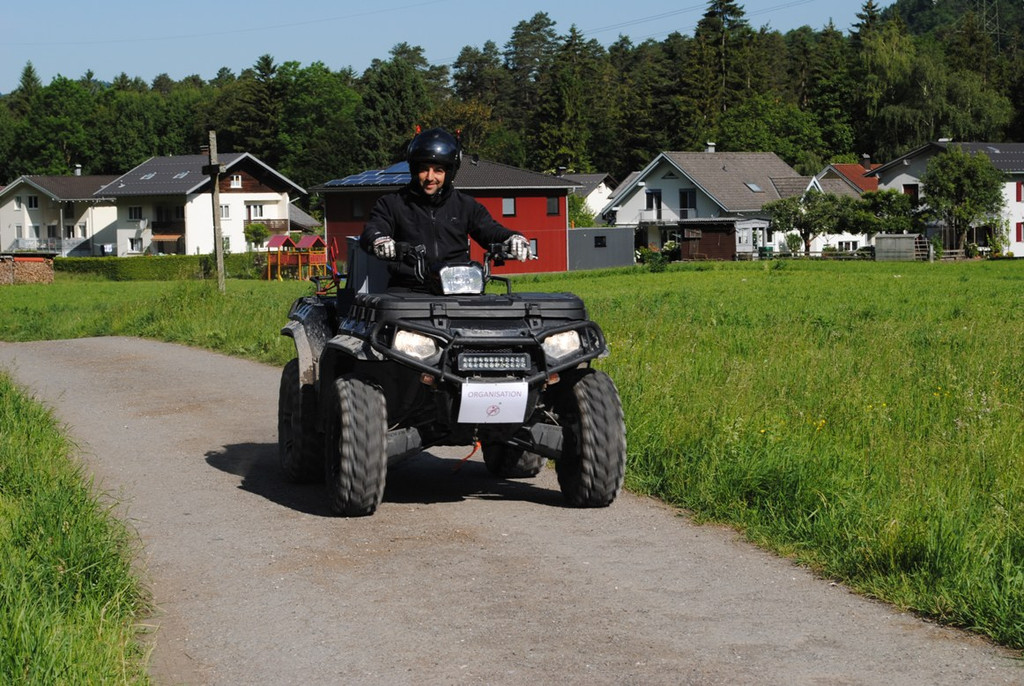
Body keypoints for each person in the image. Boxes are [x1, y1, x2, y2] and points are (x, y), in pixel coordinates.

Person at [358, 127, 531, 290]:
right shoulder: (392, 203)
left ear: (449, 173)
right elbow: (374, 228)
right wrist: (379, 240)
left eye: (438, 171)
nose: (430, 177)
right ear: (414, 170)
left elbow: (490, 230)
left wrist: (512, 237)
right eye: (424, 170)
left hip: (458, 287)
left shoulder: (465, 205)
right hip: (408, 288)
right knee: (391, 310)